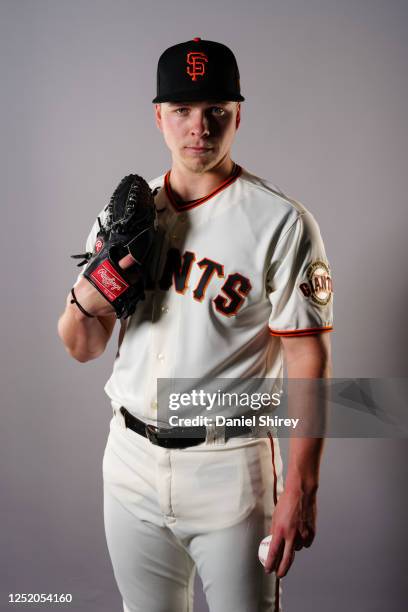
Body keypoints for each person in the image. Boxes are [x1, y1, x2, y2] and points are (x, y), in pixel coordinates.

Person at [57, 37, 333, 612]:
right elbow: (81, 346)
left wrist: (302, 488)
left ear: (238, 115)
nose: (198, 128)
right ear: (159, 115)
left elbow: (309, 362)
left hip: (229, 467)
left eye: (216, 112)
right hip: (129, 462)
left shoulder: (281, 223)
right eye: (182, 110)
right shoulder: (125, 217)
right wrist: (95, 288)